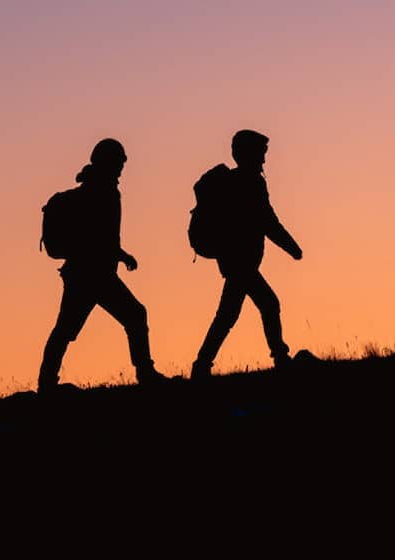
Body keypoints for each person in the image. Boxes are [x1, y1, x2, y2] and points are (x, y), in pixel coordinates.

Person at [37, 138, 165, 392]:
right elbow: (98, 235)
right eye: (119, 161)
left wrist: (121, 255)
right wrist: (119, 255)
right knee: (131, 316)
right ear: (109, 162)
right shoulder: (101, 192)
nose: (122, 167)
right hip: (92, 275)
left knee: (67, 329)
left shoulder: (101, 189)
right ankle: (145, 373)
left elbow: (100, 236)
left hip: (91, 273)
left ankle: (47, 382)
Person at [190, 129, 303, 378]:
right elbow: (267, 221)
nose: (263, 160)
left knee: (228, 315)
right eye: (261, 154)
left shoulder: (237, 181)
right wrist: (292, 247)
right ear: (248, 154)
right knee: (268, 304)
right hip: (241, 262)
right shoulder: (249, 183)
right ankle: (280, 357)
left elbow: (264, 220)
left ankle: (202, 365)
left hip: (236, 261)